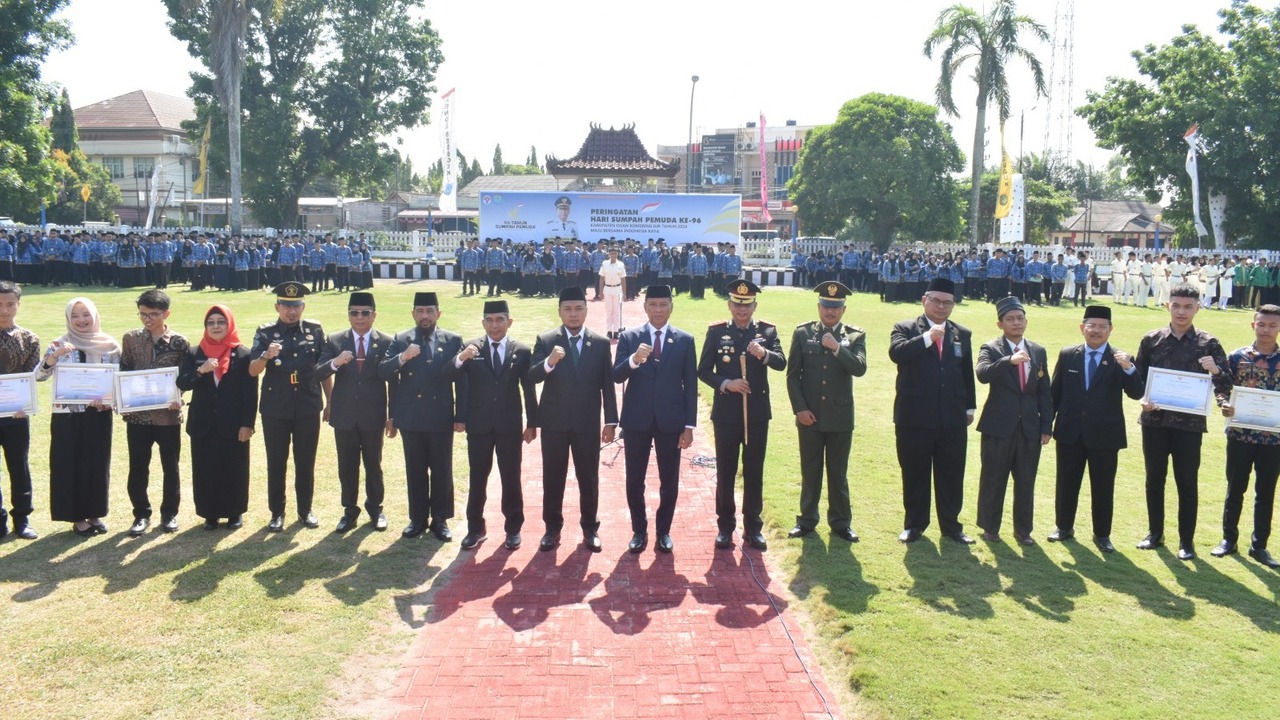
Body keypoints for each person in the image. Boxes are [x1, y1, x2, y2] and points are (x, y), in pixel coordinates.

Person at [1134, 283, 1232, 559]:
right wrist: (1143, 398)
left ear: (1197, 308)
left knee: (1186, 483)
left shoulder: (1208, 343)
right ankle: (1155, 533)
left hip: (1189, 426)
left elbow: (1226, 383)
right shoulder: (1151, 339)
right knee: (1155, 480)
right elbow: (1139, 381)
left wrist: (1215, 370)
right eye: (1176, 305)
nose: (1181, 311)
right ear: (1168, 305)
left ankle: (1186, 542)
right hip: (1155, 421)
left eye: (1188, 306)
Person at [698, 280, 786, 551]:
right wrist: (727, 384)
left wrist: (765, 354)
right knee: (725, 470)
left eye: (747, 305)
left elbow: (782, 363)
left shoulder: (767, 332)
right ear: (729, 305)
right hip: (726, 414)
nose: (741, 310)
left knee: (754, 470)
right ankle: (725, 527)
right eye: (737, 304)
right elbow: (703, 371)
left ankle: (753, 528)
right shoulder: (716, 332)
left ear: (755, 306)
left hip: (757, 414)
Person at [1047, 305, 1144, 552]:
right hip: (1070, 431)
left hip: (1105, 435)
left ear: (1110, 330)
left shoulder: (1120, 358)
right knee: (1066, 482)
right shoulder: (1069, 354)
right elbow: (1054, 394)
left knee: (1103, 486)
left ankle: (1102, 534)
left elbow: (1137, 393)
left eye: (1102, 327)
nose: (1096, 331)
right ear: (1082, 328)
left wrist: (1129, 369)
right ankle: (1063, 527)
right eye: (1091, 326)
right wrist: (1046, 426)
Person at [529, 286, 617, 552]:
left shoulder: (600, 343)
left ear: (587, 310)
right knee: (552, 477)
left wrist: (611, 421)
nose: (573, 314)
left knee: (588, 478)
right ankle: (552, 529)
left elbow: (608, 385)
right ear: (559, 312)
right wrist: (549, 362)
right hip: (554, 423)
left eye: (579, 308)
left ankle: (590, 528)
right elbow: (531, 377)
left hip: (586, 423)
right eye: (568, 309)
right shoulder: (546, 341)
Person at [889, 277, 977, 544]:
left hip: (951, 416)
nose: (941, 307)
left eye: (947, 302)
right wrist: (927, 337)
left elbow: (965, 372)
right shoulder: (904, 327)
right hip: (914, 416)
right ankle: (914, 525)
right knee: (915, 472)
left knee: (951, 472)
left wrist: (970, 406)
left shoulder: (961, 333)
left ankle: (951, 526)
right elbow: (897, 354)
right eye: (936, 301)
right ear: (924, 300)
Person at [444, 300, 538, 550]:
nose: (494, 325)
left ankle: (513, 528)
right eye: (489, 320)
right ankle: (475, 529)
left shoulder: (522, 350)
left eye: (500, 320)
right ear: (483, 322)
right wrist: (460, 359)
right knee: (478, 478)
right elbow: (449, 378)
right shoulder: (470, 348)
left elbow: (528, 389)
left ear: (509, 322)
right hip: (479, 425)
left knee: (511, 477)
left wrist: (532, 423)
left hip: (509, 425)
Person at [612, 285, 697, 554]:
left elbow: (691, 385)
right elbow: (616, 375)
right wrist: (635, 360)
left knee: (669, 479)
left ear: (672, 306)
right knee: (634, 479)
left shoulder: (684, 340)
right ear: (645, 306)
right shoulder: (629, 337)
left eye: (663, 304)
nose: (658, 310)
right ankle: (639, 530)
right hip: (637, 420)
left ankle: (664, 531)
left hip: (670, 421)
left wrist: (689, 426)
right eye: (653, 305)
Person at [784, 281, 867, 543]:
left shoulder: (854, 336)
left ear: (843, 310)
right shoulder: (802, 333)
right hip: (810, 416)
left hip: (840, 417)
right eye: (826, 306)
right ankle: (807, 520)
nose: (830, 311)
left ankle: (841, 523)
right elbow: (792, 376)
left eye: (836, 307)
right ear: (819, 306)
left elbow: (859, 368)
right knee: (810, 470)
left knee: (837, 472)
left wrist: (837, 348)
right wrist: (800, 410)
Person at [379, 292, 465, 541]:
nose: (424, 316)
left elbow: (462, 380)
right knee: (415, 469)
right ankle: (417, 519)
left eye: (429, 311)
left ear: (439, 313)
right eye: (420, 311)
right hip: (411, 416)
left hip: (440, 414)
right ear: (413, 314)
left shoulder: (452, 339)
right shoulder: (401, 339)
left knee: (441, 468)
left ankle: (440, 519)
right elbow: (385, 373)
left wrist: (460, 415)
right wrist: (403, 357)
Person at [249, 281, 329, 532]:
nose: (291, 311)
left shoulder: (315, 331)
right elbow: (253, 371)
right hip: (276, 408)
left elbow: (324, 370)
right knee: (276, 461)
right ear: (277, 306)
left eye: (295, 306)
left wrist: (331, 401)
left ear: (303, 306)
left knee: (306, 461)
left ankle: (305, 511)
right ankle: (277, 513)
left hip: (307, 405)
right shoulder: (265, 333)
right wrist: (266, 355)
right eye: (286, 305)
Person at [314, 291, 395, 534]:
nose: (359, 318)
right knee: (346, 466)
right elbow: (318, 372)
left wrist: (391, 416)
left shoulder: (387, 341)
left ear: (374, 315)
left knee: (374, 465)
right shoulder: (336, 340)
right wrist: (336, 362)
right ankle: (349, 511)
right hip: (345, 415)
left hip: (373, 414)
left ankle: (375, 509)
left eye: (365, 313)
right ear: (348, 315)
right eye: (354, 313)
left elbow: (395, 381)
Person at [974, 297, 1053, 545]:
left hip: (1028, 427)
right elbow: (983, 374)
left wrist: (1046, 427)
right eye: (1010, 319)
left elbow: (1044, 392)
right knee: (993, 478)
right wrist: (1009, 361)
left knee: (1026, 480)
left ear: (1026, 321)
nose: (1016, 323)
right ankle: (989, 527)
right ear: (1000, 324)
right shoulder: (991, 348)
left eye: (1020, 318)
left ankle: (1023, 531)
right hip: (998, 426)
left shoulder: (1037, 350)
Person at [38, 297, 120, 537]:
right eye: (75, 315)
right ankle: (77, 516)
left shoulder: (110, 345)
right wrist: (54, 357)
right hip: (67, 417)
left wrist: (108, 400)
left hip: (99, 414)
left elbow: (117, 380)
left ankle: (95, 513)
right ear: (68, 319)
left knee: (96, 462)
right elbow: (39, 376)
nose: (81, 320)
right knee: (69, 463)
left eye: (86, 314)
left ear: (94, 316)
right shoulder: (58, 344)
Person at [176, 306, 257, 528]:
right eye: (210, 322)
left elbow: (250, 393)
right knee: (205, 469)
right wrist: (200, 371)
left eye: (221, 322)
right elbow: (182, 383)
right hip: (203, 424)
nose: (215, 326)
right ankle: (209, 514)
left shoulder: (243, 354)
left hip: (233, 424)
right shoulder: (195, 353)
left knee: (234, 467)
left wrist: (247, 424)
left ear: (229, 324)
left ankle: (235, 512)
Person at [1213, 304, 1280, 567]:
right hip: (1240, 435)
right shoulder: (1236, 357)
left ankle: (1259, 546)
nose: (1266, 330)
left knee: (1266, 492)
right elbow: (1222, 387)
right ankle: (1228, 540)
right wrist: (1223, 404)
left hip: (1274, 440)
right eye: (1261, 324)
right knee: (1235, 488)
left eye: (1272, 325)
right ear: (1253, 325)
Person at [120, 289, 190, 537]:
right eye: (142, 314)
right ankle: (141, 514)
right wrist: (124, 400)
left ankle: (169, 513)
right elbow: (125, 371)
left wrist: (178, 398)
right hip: (138, 416)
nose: (147, 319)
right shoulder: (130, 338)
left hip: (168, 416)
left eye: (153, 314)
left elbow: (184, 377)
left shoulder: (180, 343)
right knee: (138, 466)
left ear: (166, 313)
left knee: (170, 466)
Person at [0, 281, 40, 539]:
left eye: (9, 304)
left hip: (16, 415)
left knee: (19, 466)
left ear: (18, 305)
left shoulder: (29, 339)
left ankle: (22, 518)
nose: (4, 310)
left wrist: (23, 405)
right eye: (0, 305)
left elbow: (32, 377)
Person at [599, 245, 626, 339]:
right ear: (609, 254)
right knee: (609, 311)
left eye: (615, 253)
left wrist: (625, 293)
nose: (613, 255)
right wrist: (600, 292)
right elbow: (602, 278)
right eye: (611, 253)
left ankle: (617, 331)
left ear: (617, 254)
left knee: (617, 311)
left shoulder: (621, 264)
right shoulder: (604, 263)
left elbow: (623, 279)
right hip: (607, 289)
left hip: (617, 289)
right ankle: (610, 331)